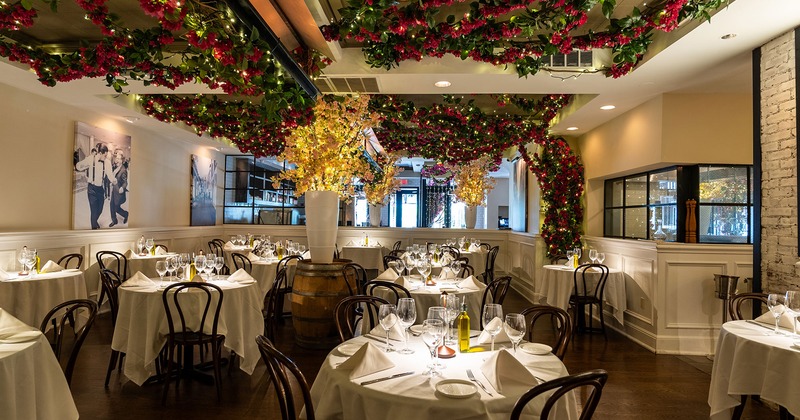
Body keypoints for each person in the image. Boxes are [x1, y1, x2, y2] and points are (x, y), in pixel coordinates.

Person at [75, 143, 112, 229]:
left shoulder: (107, 163)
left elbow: (110, 175)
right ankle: (94, 228)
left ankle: (94, 221)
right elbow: (78, 166)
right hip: (91, 189)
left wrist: (114, 180)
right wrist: (82, 165)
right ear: (99, 153)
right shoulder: (90, 159)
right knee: (94, 211)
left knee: (100, 209)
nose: (105, 157)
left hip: (100, 189)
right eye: (105, 155)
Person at [108, 149, 129, 227]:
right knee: (111, 206)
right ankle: (114, 220)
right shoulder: (116, 168)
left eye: (119, 159)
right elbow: (114, 177)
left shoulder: (123, 170)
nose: (117, 160)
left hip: (119, 193)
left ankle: (126, 214)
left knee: (116, 208)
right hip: (114, 191)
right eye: (116, 158)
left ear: (122, 161)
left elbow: (125, 182)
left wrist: (122, 188)